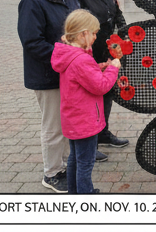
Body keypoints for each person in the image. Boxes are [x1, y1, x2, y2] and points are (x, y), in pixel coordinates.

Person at [17, 0, 88, 193]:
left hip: (68, 71)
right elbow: (32, 42)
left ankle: (65, 165)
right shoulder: (32, 0)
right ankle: (51, 173)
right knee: (54, 127)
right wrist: (66, 57)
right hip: (48, 75)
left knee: (67, 123)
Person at [51, 10, 121, 194]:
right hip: (86, 121)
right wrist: (113, 69)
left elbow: (82, 76)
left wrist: (98, 67)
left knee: (75, 158)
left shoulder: (70, 55)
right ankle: (85, 194)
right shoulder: (82, 59)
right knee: (86, 163)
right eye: (94, 33)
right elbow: (101, 86)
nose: (96, 37)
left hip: (73, 119)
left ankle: (74, 192)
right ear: (84, 34)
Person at [69, 0, 129, 150]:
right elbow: (77, 22)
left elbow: (116, 11)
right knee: (90, 97)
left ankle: (103, 133)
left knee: (107, 91)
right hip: (88, 51)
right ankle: (89, 141)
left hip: (107, 48)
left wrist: (124, 30)